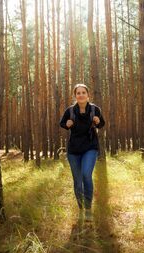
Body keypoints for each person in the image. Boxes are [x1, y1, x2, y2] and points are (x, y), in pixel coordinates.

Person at [59, 84, 105, 222]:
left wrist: (98, 121)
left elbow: (102, 124)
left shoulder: (94, 109)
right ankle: (81, 209)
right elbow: (62, 124)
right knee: (78, 182)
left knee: (86, 175)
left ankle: (88, 209)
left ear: (88, 95)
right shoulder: (70, 111)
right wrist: (66, 124)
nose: (81, 95)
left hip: (90, 147)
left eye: (83, 92)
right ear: (75, 96)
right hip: (73, 150)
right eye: (78, 93)